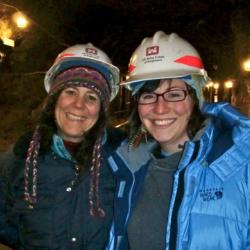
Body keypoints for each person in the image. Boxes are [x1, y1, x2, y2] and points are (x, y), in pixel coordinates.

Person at [106, 31, 250, 250]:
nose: (160, 108)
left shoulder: (240, 162)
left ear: (195, 99)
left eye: (174, 94)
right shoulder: (126, 169)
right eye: (148, 95)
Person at [0, 43, 125, 249]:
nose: (78, 104)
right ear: (54, 100)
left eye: (91, 97)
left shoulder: (122, 158)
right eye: (70, 91)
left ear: (101, 111)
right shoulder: (18, 157)